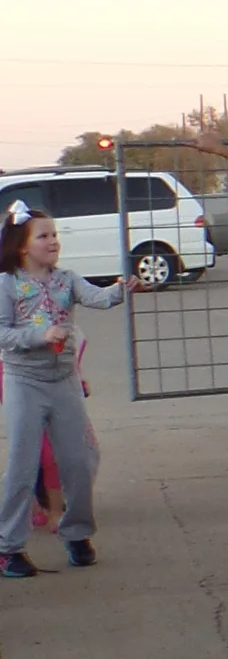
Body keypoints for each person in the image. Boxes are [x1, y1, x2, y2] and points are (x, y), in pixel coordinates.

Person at [0, 204, 122, 574]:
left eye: (55, 235)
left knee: (79, 462)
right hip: (24, 382)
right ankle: (9, 548)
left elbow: (97, 298)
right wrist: (40, 335)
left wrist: (121, 289)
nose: (53, 242)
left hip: (64, 381)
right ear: (23, 246)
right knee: (22, 464)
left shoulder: (67, 279)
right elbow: (3, 333)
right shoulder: (7, 283)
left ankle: (77, 534)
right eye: (44, 236)